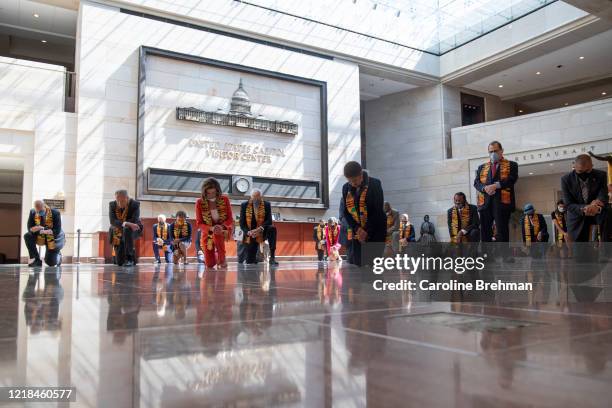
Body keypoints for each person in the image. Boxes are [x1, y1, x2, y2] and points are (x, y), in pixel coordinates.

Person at [474, 141, 518, 260]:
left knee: (502, 229)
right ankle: (486, 256)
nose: (493, 153)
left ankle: (505, 256)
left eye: (495, 151)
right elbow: (476, 183)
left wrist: (496, 185)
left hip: (502, 203)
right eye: (491, 151)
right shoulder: (481, 167)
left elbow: (512, 179)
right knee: (485, 231)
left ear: (501, 151)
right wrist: (484, 188)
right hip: (485, 204)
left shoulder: (512, 165)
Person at [339, 161, 386, 266]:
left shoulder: (375, 184)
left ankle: (376, 282)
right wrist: (357, 229)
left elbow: (377, 210)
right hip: (358, 230)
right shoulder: (346, 188)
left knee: (374, 264)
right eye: (349, 181)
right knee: (359, 264)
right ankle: (363, 283)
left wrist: (365, 230)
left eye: (355, 180)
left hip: (375, 229)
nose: (352, 184)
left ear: (361, 174)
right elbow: (346, 212)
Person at [561, 154, 608, 242]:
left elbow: (603, 195)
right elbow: (568, 204)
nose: (584, 174)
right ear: (574, 166)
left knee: (602, 252)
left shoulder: (601, 175)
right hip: (577, 220)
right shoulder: (565, 179)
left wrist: (597, 205)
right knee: (580, 252)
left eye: (588, 171)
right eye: (580, 171)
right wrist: (585, 208)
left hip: (597, 217)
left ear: (592, 166)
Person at [195, 178, 234, 269]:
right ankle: (217, 257)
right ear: (204, 192)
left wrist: (221, 226)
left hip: (223, 229)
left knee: (217, 233)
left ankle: (222, 259)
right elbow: (199, 223)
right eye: (208, 193)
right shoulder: (199, 202)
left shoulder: (225, 199)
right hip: (208, 231)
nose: (211, 195)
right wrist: (211, 228)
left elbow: (230, 219)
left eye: (213, 193)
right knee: (209, 264)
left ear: (217, 191)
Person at [240, 189, 278, 265]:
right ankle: (254, 257)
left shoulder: (267, 204)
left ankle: (272, 257)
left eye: (258, 197)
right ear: (251, 197)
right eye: (254, 196)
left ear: (261, 197)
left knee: (272, 229)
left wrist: (260, 229)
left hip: (263, 231)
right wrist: (248, 232)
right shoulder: (244, 205)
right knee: (250, 261)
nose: (256, 199)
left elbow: (269, 220)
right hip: (251, 234)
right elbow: (242, 223)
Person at [24, 200, 65, 267]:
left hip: (54, 238)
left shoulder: (55, 213)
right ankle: (36, 260)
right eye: (37, 210)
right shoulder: (32, 212)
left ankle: (58, 256)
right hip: (41, 236)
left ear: (44, 206)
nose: (39, 212)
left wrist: (42, 229)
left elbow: (57, 231)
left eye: (41, 210)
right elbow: (30, 228)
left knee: (50, 262)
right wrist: (35, 229)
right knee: (27, 236)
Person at [109, 190, 143, 266]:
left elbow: (134, 219)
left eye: (122, 201)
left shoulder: (135, 204)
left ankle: (129, 258)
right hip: (119, 229)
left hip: (134, 228)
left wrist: (127, 224)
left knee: (127, 229)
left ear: (127, 198)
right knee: (120, 262)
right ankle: (128, 254)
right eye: (117, 200)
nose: (119, 203)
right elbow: (112, 221)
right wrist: (126, 223)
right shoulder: (112, 205)